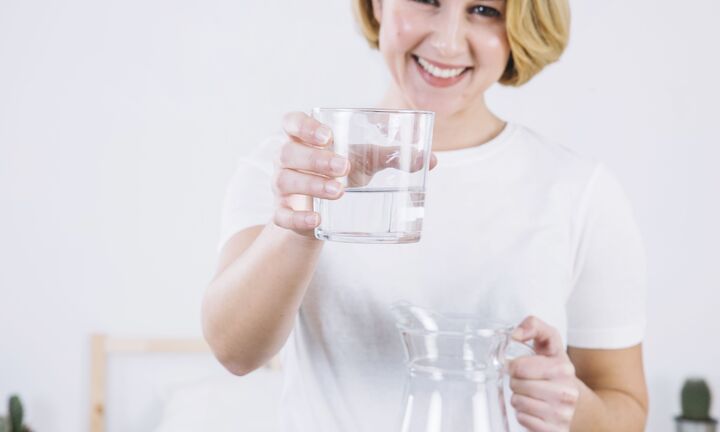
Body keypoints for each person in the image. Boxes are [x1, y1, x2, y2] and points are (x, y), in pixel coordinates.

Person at [202, 0, 649, 430]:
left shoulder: (579, 190)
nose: (448, 41)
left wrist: (572, 406)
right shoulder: (293, 169)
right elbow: (235, 352)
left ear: (520, 26)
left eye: (484, 10)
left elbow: (625, 408)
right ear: (377, 5)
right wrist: (296, 225)